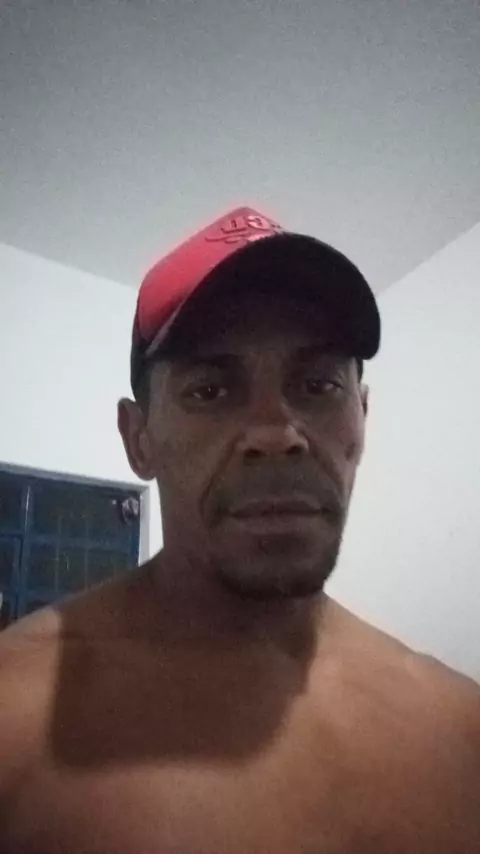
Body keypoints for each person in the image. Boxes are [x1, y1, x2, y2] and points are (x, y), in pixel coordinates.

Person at [0, 207, 479, 854]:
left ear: (362, 418)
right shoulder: (13, 715)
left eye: (317, 385)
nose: (277, 434)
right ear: (139, 439)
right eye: (210, 391)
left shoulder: (459, 727)